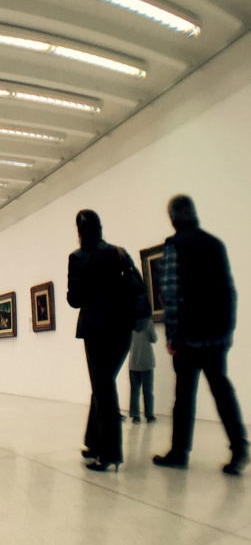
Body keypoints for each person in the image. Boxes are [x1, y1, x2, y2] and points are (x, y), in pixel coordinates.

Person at [152, 195, 248, 475]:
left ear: (172, 217)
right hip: (216, 334)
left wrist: (171, 335)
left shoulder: (175, 245)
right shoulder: (215, 244)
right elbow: (230, 290)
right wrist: (228, 329)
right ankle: (239, 447)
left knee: (184, 395)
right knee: (222, 390)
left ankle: (179, 452)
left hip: (189, 335)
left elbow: (170, 292)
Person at [66, 209, 134, 472]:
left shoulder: (78, 257)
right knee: (103, 385)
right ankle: (94, 442)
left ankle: (110, 453)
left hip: (96, 330)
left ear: (79, 231)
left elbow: (74, 300)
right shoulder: (118, 252)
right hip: (122, 330)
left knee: (103, 388)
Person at [128, 317, 157, 424]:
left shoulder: (130, 322)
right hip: (146, 361)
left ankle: (135, 416)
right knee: (148, 391)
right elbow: (154, 339)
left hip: (133, 361)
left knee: (134, 391)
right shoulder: (148, 322)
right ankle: (149, 415)